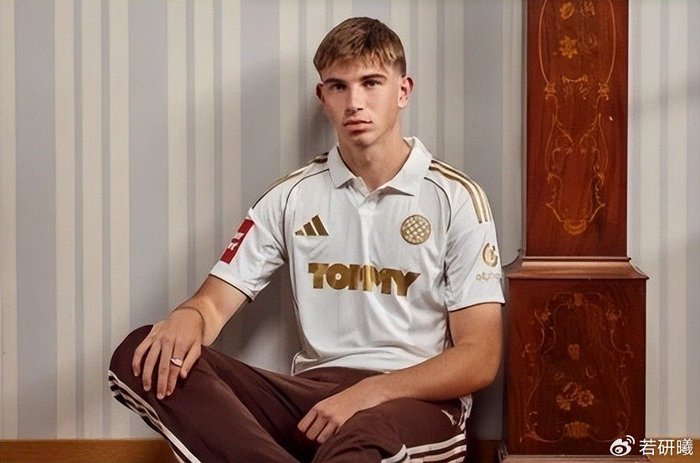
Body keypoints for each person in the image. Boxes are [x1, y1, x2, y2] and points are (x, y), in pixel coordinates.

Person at [109, 17, 504, 463]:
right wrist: (188, 316)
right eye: (338, 87)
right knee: (142, 353)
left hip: (413, 401)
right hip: (314, 400)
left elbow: (480, 356)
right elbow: (213, 305)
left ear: (403, 90)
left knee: (361, 441)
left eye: (371, 83)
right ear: (322, 97)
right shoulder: (292, 196)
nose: (354, 102)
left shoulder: (455, 197)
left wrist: (372, 392)